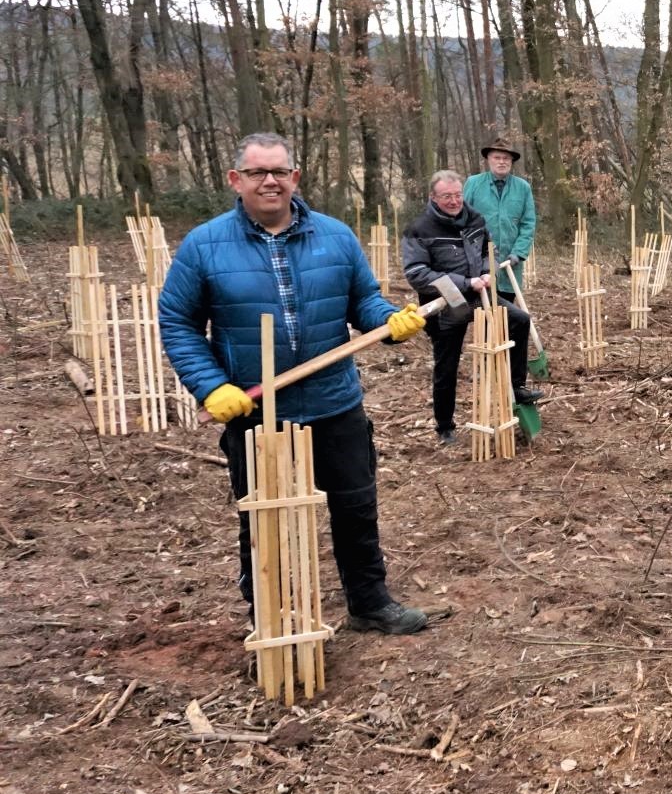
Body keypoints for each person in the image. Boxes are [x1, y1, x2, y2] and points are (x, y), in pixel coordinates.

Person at [159, 132, 432, 635]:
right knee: (264, 519)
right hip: (256, 412)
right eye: (258, 172)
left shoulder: (336, 237)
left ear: (295, 178)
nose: (270, 181)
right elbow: (177, 322)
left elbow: (363, 301)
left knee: (355, 506)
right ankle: (271, 620)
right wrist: (211, 385)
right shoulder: (204, 245)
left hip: (334, 402)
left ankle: (369, 603)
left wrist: (389, 321)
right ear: (236, 180)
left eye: (280, 172)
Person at [402, 170, 542, 447]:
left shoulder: (475, 218)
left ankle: (516, 386)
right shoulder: (419, 229)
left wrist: (488, 271)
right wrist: (465, 282)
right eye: (447, 197)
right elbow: (416, 273)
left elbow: (489, 250)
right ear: (433, 197)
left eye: (457, 195)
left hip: (479, 295)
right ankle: (445, 426)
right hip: (444, 304)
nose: (454, 201)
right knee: (447, 365)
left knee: (519, 320)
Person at [463, 138, 537, 298]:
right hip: (479, 262)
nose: (501, 162)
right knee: (481, 308)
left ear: (511, 162)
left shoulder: (523, 188)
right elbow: (462, 220)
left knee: (506, 308)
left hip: (509, 263)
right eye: (497, 157)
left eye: (506, 158)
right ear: (488, 159)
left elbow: (528, 224)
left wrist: (518, 253)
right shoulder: (473, 183)